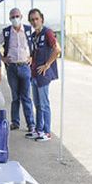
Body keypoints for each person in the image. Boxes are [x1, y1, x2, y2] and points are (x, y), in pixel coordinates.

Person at [0, 7, 35, 132]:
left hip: (25, 67)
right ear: (10, 19)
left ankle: (31, 124)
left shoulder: (28, 30)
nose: (15, 19)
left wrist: (32, 57)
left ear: (21, 16)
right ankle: (15, 122)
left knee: (26, 97)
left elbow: (35, 44)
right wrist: (2, 58)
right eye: (12, 17)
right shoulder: (6, 32)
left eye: (17, 16)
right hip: (11, 68)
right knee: (15, 97)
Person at [26, 9, 61, 142]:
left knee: (44, 104)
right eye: (32, 20)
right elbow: (34, 52)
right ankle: (39, 129)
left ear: (42, 19)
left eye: (36, 19)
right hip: (35, 74)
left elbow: (57, 49)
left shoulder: (48, 33)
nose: (35, 22)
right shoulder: (34, 35)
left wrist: (47, 64)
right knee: (38, 104)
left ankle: (47, 132)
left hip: (43, 74)